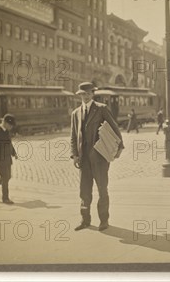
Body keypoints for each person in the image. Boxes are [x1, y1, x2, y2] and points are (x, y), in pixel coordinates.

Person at [70, 82, 124, 231]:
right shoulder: (76, 113)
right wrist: (74, 155)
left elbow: (114, 128)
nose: (85, 96)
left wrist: (119, 147)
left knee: (102, 189)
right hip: (83, 159)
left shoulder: (101, 109)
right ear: (79, 95)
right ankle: (85, 220)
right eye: (82, 94)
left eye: (88, 94)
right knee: (84, 190)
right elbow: (74, 136)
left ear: (92, 94)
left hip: (99, 158)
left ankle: (104, 221)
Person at [0, 114, 18, 204]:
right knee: (5, 177)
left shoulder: (6, 131)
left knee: (8, 176)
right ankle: (5, 198)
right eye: (10, 125)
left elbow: (9, 143)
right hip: (0, 159)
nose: (11, 127)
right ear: (5, 123)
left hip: (7, 158)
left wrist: (14, 153)